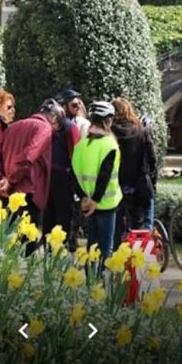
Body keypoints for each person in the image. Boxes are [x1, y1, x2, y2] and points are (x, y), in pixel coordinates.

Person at [0, 99, 66, 253]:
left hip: (3, 191)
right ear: (54, 119)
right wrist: (10, 179)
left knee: (2, 243)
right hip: (27, 192)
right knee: (25, 246)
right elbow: (29, 155)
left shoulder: (12, 126)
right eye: (57, 128)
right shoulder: (44, 128)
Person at [72, 101, 122, 265]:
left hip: (87, 204)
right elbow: (104, 176)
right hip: (105, 204)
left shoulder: (80, 146)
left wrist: (83, 198)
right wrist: (95, 200)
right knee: (105, 250)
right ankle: (100, 286)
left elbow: (74, 174)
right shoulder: (109, 145)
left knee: (91, 248)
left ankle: (90, 283)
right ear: (108, 121)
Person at [112, 97, 158, 240]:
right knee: (139, 225)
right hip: (137, 184)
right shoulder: (140, 130)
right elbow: (152, 158)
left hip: (116, 184)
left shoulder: (110, 132)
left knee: (118, 226)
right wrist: (152, 177)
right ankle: (141, 253)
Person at [43, 95, 82, 250]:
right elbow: (76, 153)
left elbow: (75, 152)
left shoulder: (68, 127)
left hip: (61, 176)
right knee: (55, 215)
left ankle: (58, 249)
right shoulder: (67, 127)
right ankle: (57, 249)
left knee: (58, 216)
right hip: (58, 175)